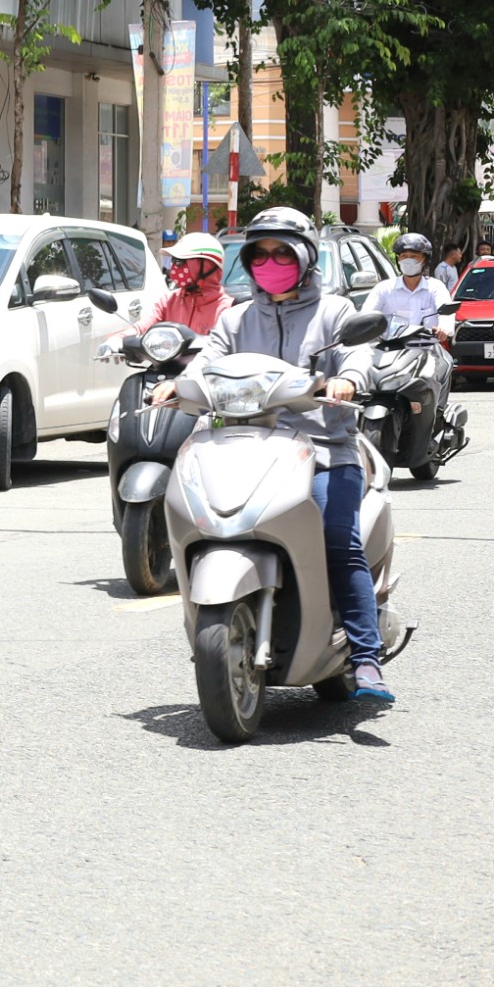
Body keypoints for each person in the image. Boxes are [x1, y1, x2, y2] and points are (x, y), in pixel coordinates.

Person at [162, 206, 391, 704]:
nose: (270, 262)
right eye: (259, 254)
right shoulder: (238, 318)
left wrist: (349, 379)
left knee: (337, 540)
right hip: (247, 441)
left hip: (326, 447)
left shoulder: (334, 313)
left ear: (305, 257)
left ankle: (366, 654)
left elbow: (358, 357)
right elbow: (206, 361)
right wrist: (176, 385)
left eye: (282, 252)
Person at [119, 232, 233, 340]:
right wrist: (120, 339)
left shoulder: (227, 310)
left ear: (206, 266)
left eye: (179, 262)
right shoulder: (169, 302)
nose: (174, 268)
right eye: (173, 261)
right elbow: (142, 327)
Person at [371, 232, 454, 353]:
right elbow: (367, 315)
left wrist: (443, 329)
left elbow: (446, 314)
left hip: (428, 351)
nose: (408, 260)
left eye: (414, 257)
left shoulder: (436, 287)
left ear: (425, 260)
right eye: (404, 256)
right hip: (390, 351)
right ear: (398, 259)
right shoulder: (383, 288)